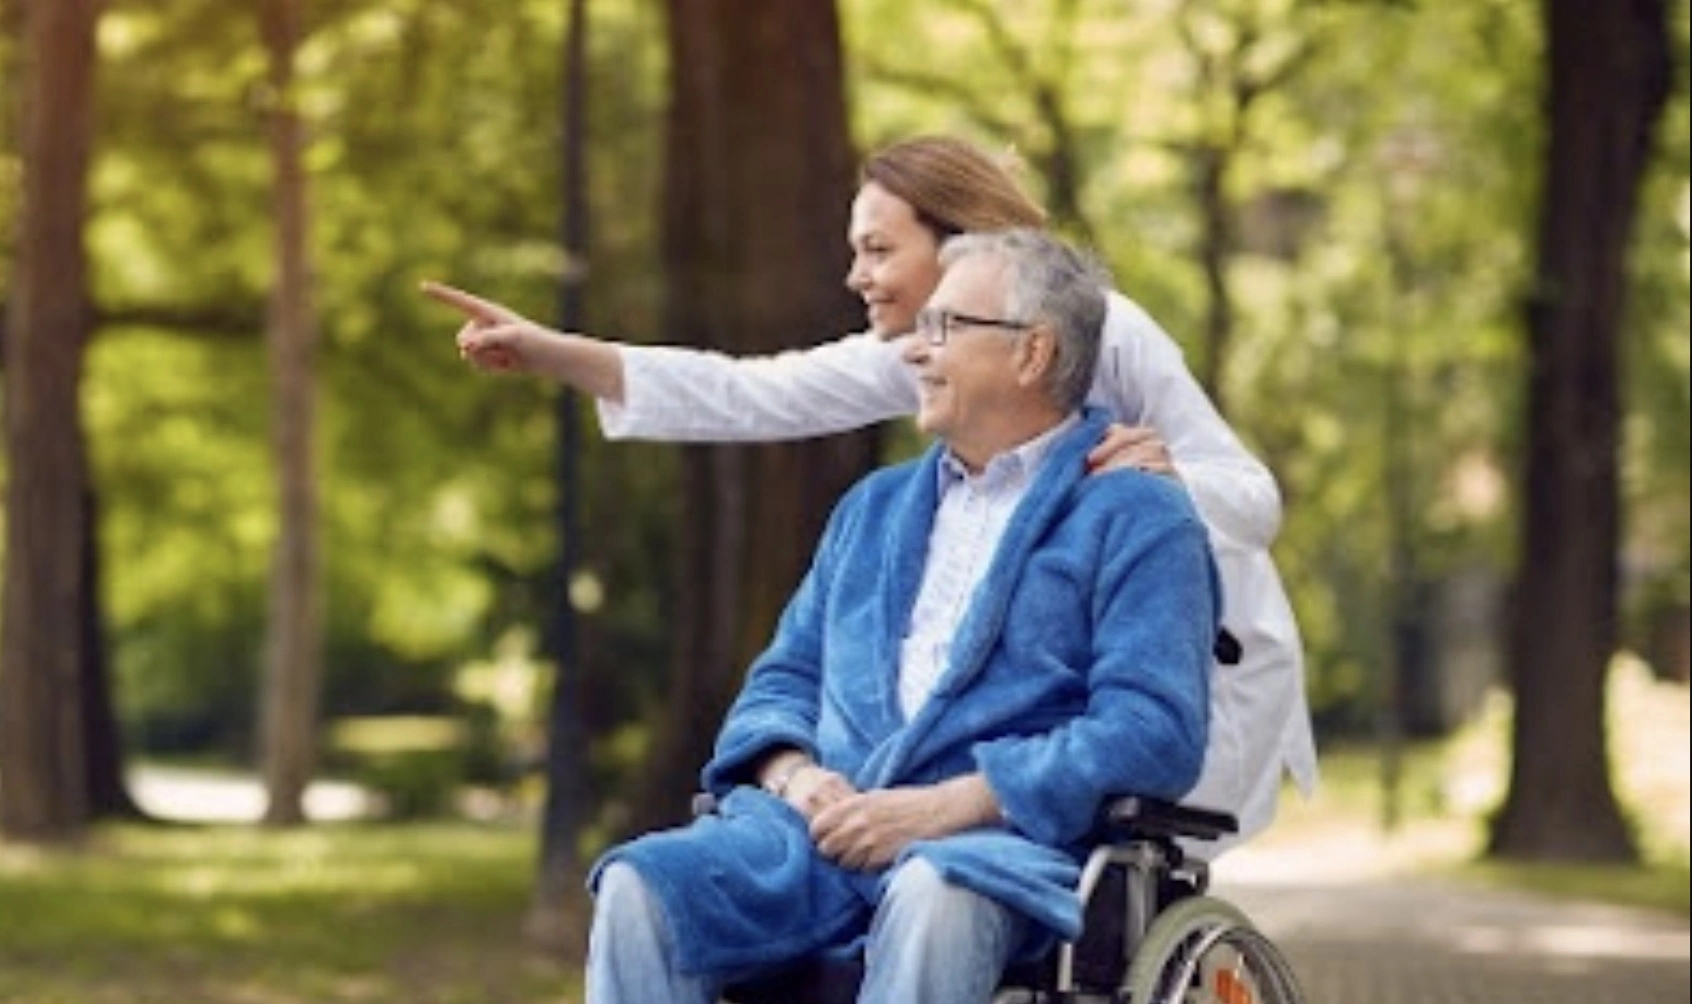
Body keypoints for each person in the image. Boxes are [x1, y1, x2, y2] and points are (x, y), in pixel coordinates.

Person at [501, 229, 1220, 1004]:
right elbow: (777, 685)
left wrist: (934, 811)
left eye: (944, 327)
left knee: (932, 891)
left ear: (1032, 352)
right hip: (815, 834)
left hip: (986, 852)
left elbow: (1154, 728)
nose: (915, 349)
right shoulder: (874, 511)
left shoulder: (1135, 513)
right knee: (642, 882)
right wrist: (798, 776)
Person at [422, 135, 1314, 848]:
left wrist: (1163, 478)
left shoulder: (1104, 330)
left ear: (957, 243)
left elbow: (1253, 496)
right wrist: (550, 351)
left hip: (1190, 658)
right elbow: (749, 392)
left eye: (879, 249)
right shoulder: (914, 357)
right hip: (1038, 688)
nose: (858, 276)